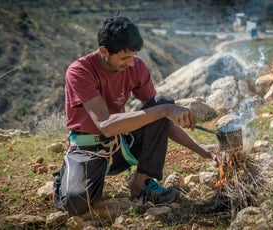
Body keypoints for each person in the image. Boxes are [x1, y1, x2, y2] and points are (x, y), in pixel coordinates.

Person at [53, 15, 219, 216]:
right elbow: (105, 124)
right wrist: (165, 111)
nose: (131, 63)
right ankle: (64, 179)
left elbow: (160, 116)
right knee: (76, 202)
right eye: (124, 58)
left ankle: (141, 184)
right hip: (88, 149)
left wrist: (200, 149)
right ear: (104, 51)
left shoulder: (136, 66)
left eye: (133, 56)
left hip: (122, 144)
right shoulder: (80, 71)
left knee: (162, 101)